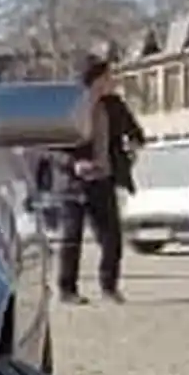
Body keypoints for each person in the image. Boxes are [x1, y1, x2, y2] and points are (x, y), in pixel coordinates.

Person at [57, 53, 144, 304]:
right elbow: (53, 148)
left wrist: (132, 151)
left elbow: (136, 133)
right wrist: (74, 164)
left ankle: (109, 287)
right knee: (71, 237)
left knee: (112, 237)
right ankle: (67, 290)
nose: (113, 80)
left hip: (103, 179)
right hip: (74, 182)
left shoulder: (114, 105)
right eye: (108, 76)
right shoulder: (70, 107)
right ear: (96, 79)